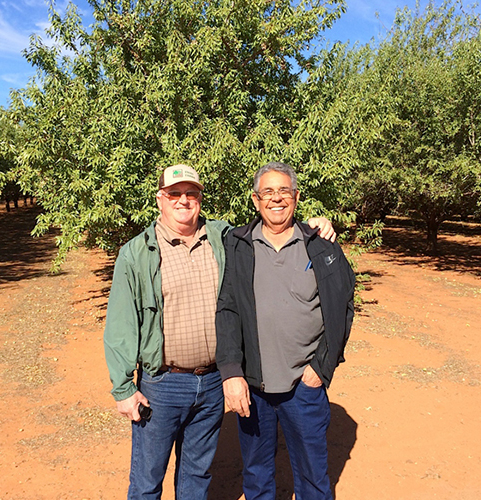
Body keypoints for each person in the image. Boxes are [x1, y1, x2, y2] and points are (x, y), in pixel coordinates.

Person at [103, 164, 336, 500]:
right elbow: (121, 323)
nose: (183, 201)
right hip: (163, 385)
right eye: (174, 194)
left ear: (200, 198)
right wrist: (123, 388)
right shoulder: (137, 252)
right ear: (160, 199)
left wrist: (314, 224)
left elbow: (272, 224)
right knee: (146, 480)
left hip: (213, 382)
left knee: (197, 475)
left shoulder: (223, 237)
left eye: (191, 193)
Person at [216, 162, 356, 500]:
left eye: (283, 191)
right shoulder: (237, 245)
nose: (276, 199)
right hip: (255, 385)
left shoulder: (321, 246)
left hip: (304, 387)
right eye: (267, 192)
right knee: (257, 475)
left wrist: (320, 368)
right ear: (255, 200)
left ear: (296, 197)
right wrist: (232, 371)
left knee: (312, 477)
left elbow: (343, 307)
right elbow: (228, 309)